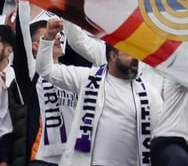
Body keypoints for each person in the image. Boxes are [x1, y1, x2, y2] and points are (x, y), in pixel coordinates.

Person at [35, 17, 163, 166]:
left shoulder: (150, 95)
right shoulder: (87, 79)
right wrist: (49, 38)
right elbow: (46, 70)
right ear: (113, 56)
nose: (136, 59)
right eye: (129, 54)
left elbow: (162, 135)